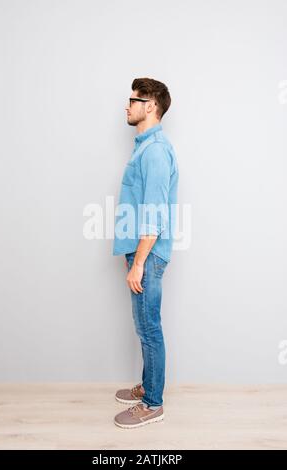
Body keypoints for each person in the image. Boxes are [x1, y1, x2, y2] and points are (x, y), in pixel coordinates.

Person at [112, 77, 179, 428]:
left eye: (132, 100)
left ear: (150, 105)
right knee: (144, 325)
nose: (127, 106)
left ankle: (154, 403)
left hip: (148, 255)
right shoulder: (145, 147)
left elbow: (154, 215)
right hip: (142, 254)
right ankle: (148, 386)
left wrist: (138, 263)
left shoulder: (154, 151)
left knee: (149, 327)